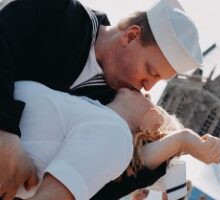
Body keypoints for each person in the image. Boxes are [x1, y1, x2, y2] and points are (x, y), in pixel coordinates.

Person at [0, 0, 203, 199]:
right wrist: (5, 132)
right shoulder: (57, 11)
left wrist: (175, 143)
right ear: (131, 36)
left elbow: (98, 185)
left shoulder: (115, 105)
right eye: (150, 72)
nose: (148, 87)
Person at [13, 81, 220, 200]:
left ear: (149, 127)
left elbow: (142, 161)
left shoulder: (113, 138)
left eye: (152, 103)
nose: (148, 93)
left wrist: (183, 140)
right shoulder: (90, 106)